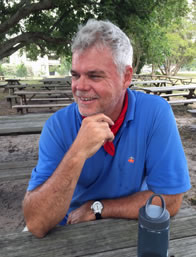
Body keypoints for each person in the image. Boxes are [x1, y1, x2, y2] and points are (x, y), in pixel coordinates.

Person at [23, 19, 191, 238]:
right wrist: (77, 152)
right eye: (75, 75)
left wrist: (98, 208)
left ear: (126, 77)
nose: (80, 87)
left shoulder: (154, 113)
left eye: (94, 76)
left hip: (126, 227)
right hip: (69, 230)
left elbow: (170, 201)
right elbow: (36, 223)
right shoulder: (58, 126)